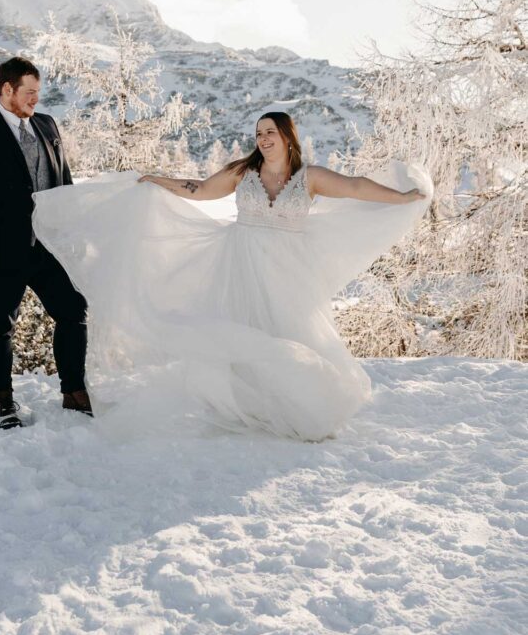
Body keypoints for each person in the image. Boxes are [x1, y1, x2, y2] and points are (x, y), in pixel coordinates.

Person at [32, 111, 432, 441]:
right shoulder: (244, 171)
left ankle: (299, 403)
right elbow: (200, 190)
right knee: (247, 332)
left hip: (288, 270)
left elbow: (356, 187)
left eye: (270, 132)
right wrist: (159, 181)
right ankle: (252, 404)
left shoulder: (309, 177)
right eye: (258, 133)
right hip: (242, 264)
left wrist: (402, 198)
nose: (263, 139)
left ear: (288, 136)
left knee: (290, 333)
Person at [0, 56, 92, 428]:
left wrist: (72, 233)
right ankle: (2, 401)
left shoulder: (46, 125)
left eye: (38, 93)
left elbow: (63, 183)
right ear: (6, 89)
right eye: (29, 93)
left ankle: (75, 393)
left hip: (49, 247)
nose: (35, 100)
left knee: (73, 312)